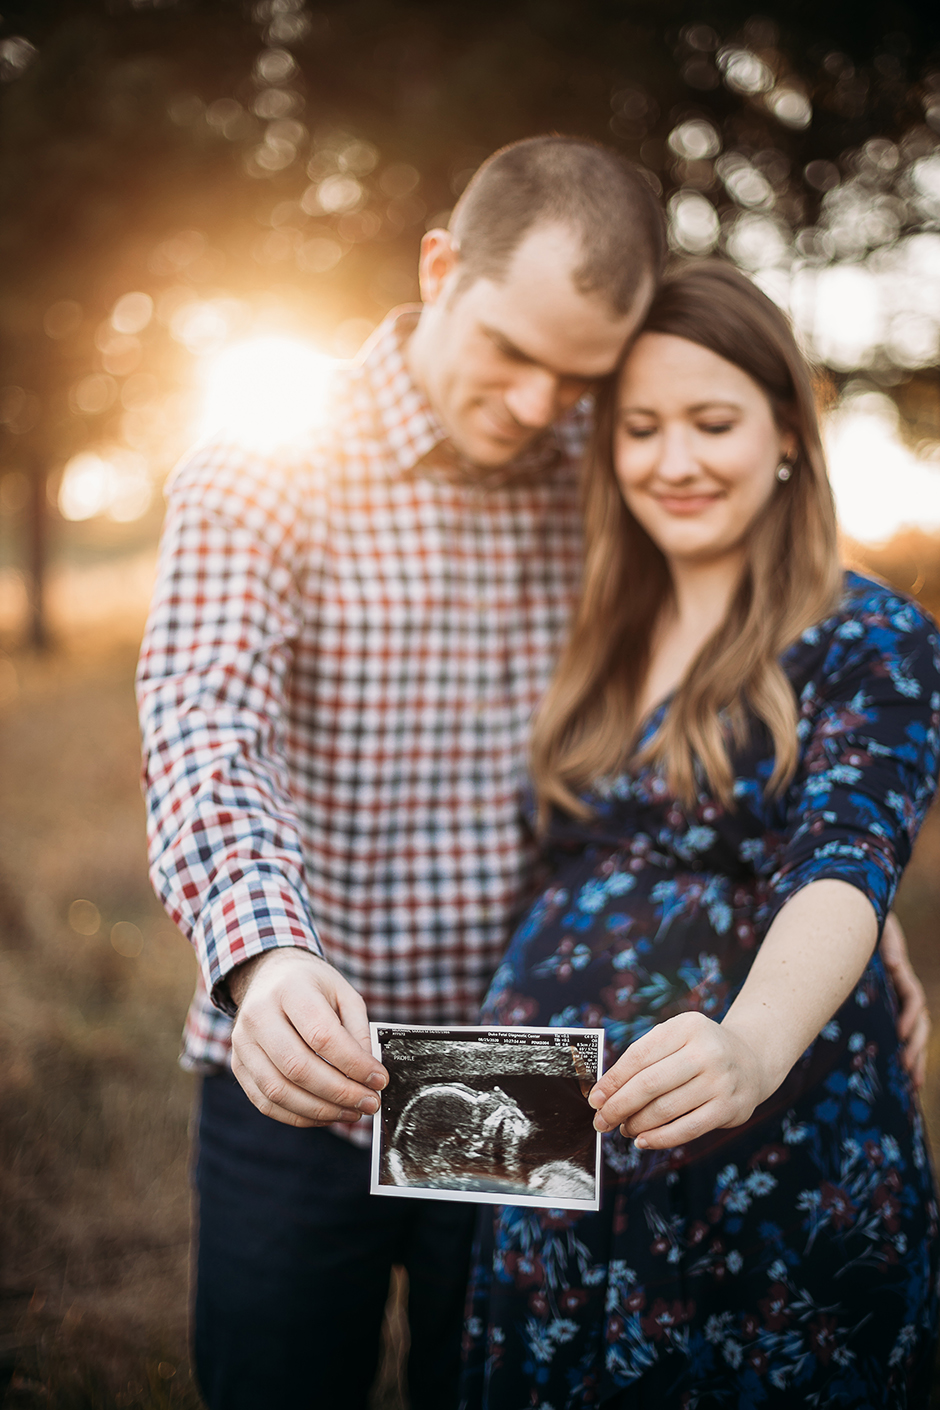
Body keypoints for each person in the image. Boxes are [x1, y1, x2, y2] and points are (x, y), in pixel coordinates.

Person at [136, 136, 665, 1410]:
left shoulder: (612, 470)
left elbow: (729, 692)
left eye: (577, 373)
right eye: (511, 351)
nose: (542, 403)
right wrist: (262, 954)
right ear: (440, 267)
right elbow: (205, 723)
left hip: (526, 1071)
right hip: (305, 1058)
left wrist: (849, 901)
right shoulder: (264, 459)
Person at [460, 262, 940, 1409]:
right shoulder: (589, 633)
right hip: (547, 1161)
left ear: (786, 426)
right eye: (640, 429)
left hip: (767, 1159)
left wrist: (753, 1043)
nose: (673, 461)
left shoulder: (871, 638)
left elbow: (845, 860)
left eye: (711, 422)